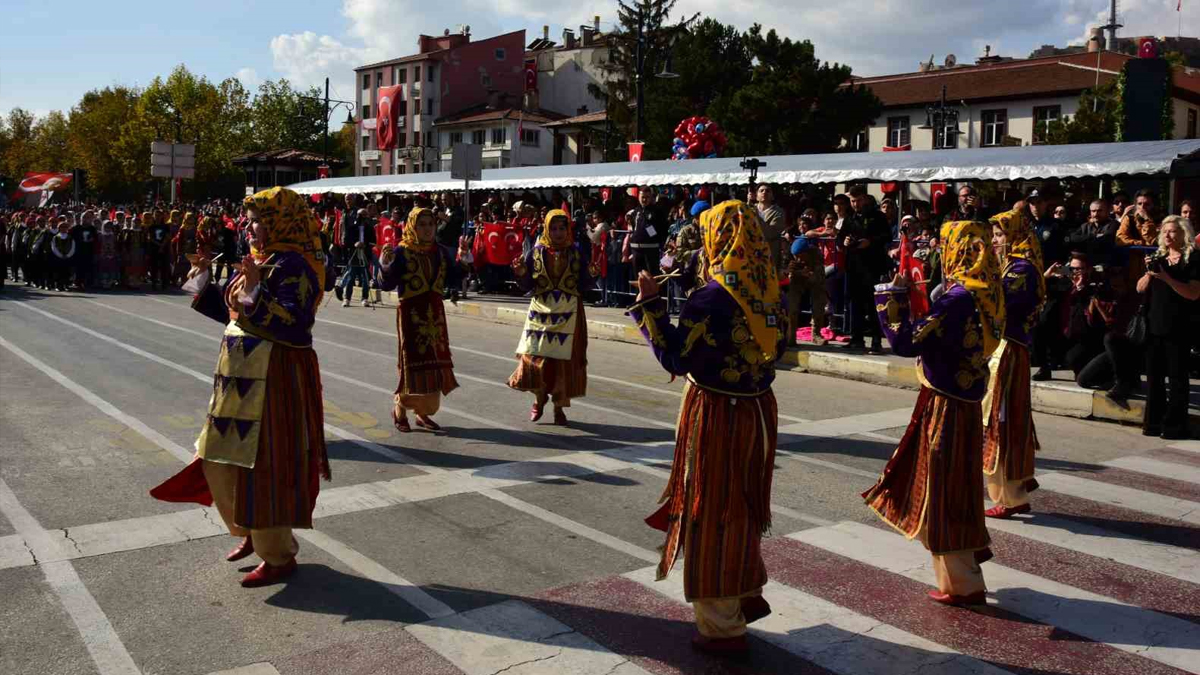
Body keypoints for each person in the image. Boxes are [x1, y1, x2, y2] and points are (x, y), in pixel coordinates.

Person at [150, 186, 331, 588]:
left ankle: (278, 556)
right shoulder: (259, 260)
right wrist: (202, 284)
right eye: (249, 222)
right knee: (217, 457)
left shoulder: (294, 266)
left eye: (257, 222)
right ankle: (249, 529)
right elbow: (235, 315)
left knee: (265, 466)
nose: (249, 229)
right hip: (239, 380)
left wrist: (253, 294)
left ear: (279, 223)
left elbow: (294, 324)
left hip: (275, 377)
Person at [627, 200, 784, 655]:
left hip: (716, 411)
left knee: (712, 509)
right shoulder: (767, 287)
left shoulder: (711, 297)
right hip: (759, 411)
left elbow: (676, 357)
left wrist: (650, 304)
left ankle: (721, 624)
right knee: (744, 505)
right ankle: (742, 593)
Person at [863, 218, 1004, 606]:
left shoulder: (958, 298)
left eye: (946, 246)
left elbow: (907, 342)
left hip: (946, 404)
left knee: (944, 490)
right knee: (956, 487)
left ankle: (963, 584)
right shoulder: (989, 290)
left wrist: (888, 298)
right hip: (967, 399)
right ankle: (961, 577)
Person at [375, 207, 469, 433]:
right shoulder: (401, 251)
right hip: (411, 316)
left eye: (431, 224)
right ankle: (400, 407)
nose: (427, 229)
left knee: (435, 363)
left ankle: (423, 412)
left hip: (435, 315)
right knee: (412, 363)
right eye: (422, 225)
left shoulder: (441, 251)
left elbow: (455, 277)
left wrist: (464, 256)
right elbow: (386, 284)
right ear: (412, 227)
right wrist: (385, 265)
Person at [981, 206, 1044, 519]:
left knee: (1000, 423)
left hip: (1009, 352)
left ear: (1016, 235)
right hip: (1003, 350)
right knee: (1000, 422)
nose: (995, 241)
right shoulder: (1010, 267)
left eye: (1000, 234)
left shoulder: (1021, 270)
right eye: (993, 234)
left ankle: (1011, 496)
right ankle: (1014, 490)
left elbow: (1001, 307)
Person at [507, 210, 596, 425]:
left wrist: (593, 274)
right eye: (554, 228)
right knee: (534, 358)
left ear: (568, 230)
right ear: (546, 228)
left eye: (562, 228)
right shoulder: (535, 253)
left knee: (563, 364)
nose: (558, 233)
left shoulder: (576, 253)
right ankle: (539, 398)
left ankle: (559, 408)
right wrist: (520, 273)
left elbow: (585, 285)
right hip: (540, 314)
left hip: (570, 313)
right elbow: (527, 285)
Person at [1137, 215, 1200, 440]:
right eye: (1165, 231)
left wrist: (1167, 278)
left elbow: (1194, 293)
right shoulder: (1158, 255)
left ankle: (1174, 426)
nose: (1167, 235)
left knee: (1177, 379)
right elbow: (1139, 288)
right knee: (1154, 378)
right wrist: (1149, 273)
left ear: (1184, 233)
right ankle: (1152, 424)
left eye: (1173, 231)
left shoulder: (1192, 258)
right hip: (1154, 324)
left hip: (1180, 326)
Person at [841, 185, 891, 353]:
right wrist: (844, 242)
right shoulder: (850, 218)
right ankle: (857, 338)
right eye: (853, 201)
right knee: (855, 304)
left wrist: (870, 241)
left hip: (872, 266)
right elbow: (840, 238)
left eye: (859, 200)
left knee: (872, 305)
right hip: (854, 266)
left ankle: (876, 340)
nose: (856, 204)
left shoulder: (878, 217)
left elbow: (886, 236)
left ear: (865, 198)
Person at [787, 209, 828, 346]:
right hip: (797, 278)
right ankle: (790, 336)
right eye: (795, 257)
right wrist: (797, 273)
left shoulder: (815, 254)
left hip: (814, 277)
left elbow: (819, 280)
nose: (798, 258)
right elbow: (786, 273)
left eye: (801, 256)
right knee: (792, 306)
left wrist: (811, 275)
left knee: (818, 304)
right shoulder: (792, 254)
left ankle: (816, 334)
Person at [626, 189, 669, 275]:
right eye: (642, 197)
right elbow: (633, 227)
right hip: (636, 250)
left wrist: (648, 227)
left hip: (650, 250)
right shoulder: (636, 211)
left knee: (651, 278)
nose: (644, 200)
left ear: (651, 198)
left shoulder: (657, 211)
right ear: (639, 197)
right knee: (639, 279)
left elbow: (661, 230)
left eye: (647, 197)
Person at [340, 208, 375, 307]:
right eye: (360, 215)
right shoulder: (352, 228)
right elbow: (346, 242)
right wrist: (354, 244)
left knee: (365, 278)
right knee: (351, 277)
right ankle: (347, 298)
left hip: (365, 254)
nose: (362, 218)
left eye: (364, 215)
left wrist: (366, 245)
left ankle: (365, 298)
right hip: (354, 254)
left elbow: (373, 242)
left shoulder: (370, 228)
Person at [754, 184, 788, 269]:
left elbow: (771, 233)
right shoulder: (750, 209)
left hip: (769, 253)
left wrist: (755, 216)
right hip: (752, 252)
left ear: (772, 196)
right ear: (756, 196)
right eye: (761, 190)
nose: (764, 192)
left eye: (767, 191)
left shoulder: (778, 212)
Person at [146, 211, 172, 290]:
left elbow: (168, 237)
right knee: (154, 266)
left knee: (164, 266)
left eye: (159, 215)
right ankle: (154, 282)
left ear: (162, 216)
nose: (157, 217)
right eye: (156, 215)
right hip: (154, 248)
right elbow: (150, 238)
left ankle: (164, 283)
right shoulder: (151, 226)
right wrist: (158, 245)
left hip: (164, 249)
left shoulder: (166, 226)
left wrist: (162, 246)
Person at [49, 218, 76, 291]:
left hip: (67, 257)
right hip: (58, 258)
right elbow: (53, 247)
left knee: (67, 272)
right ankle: (58, 285)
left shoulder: (70, 238)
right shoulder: (55, 237)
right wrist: (60, 255)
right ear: (59, 228)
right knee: (58, 272)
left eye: (65, 227)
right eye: (62, 227)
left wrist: (68, 255)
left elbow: (73, 248)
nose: (63, 229)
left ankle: (66, 285)